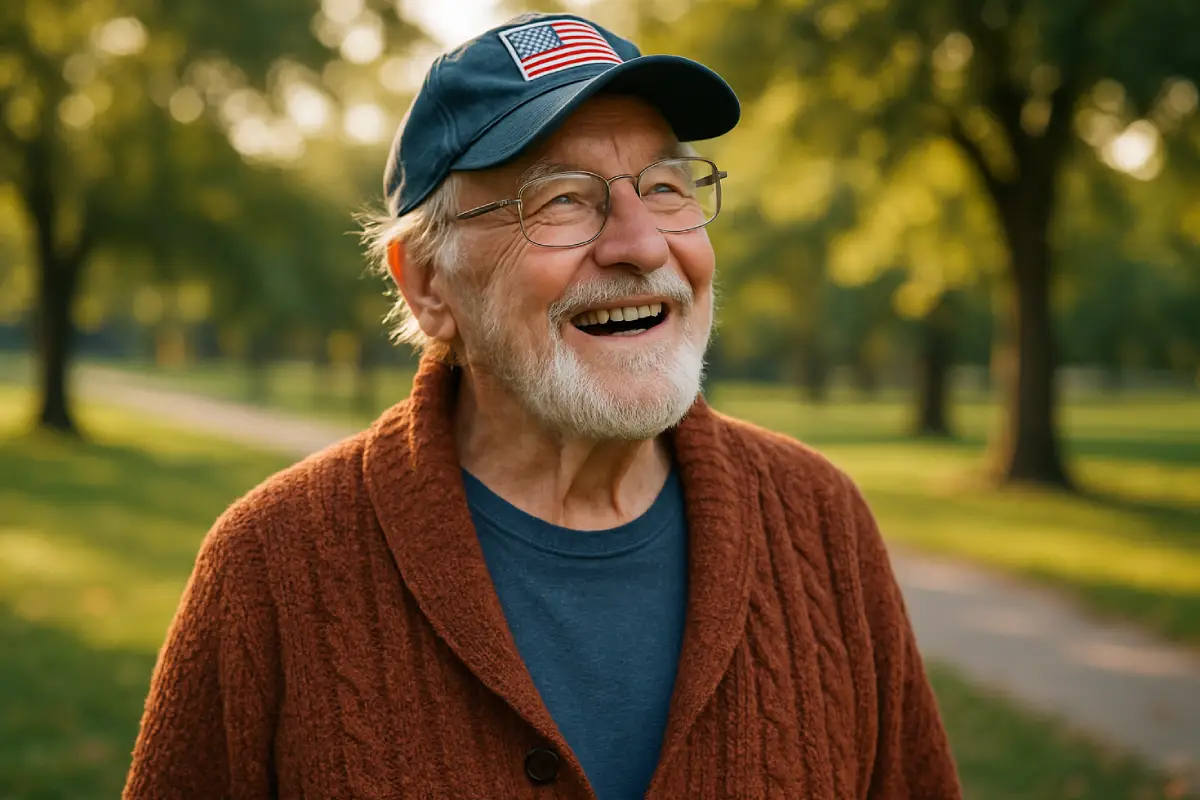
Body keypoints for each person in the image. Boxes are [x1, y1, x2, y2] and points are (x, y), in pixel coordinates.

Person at [124, 12, 961, 799]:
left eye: (667, 186)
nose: (640, 244)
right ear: (428, 287)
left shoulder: (822, 524)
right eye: (561, 198)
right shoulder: (271, 567)